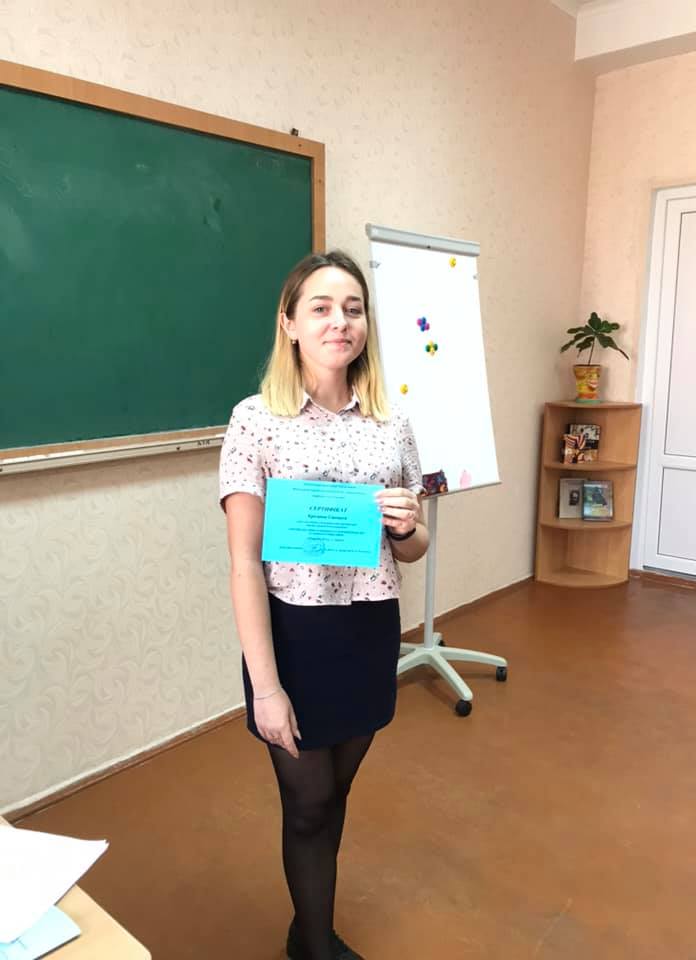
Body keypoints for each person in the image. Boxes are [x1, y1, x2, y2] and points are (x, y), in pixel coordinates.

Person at [219, 250, 428, 960]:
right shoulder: (256, 421)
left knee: (335, 795)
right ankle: (313, 944)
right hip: (293, 636)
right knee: (307, 805)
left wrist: (407, 526)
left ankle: (308, 925)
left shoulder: (391, 421)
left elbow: (413, 546)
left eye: (353, 308)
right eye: (321, 307)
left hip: (369, 630)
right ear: (289, 324)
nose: (340, 321)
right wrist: (266, 688)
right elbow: (244, 563)